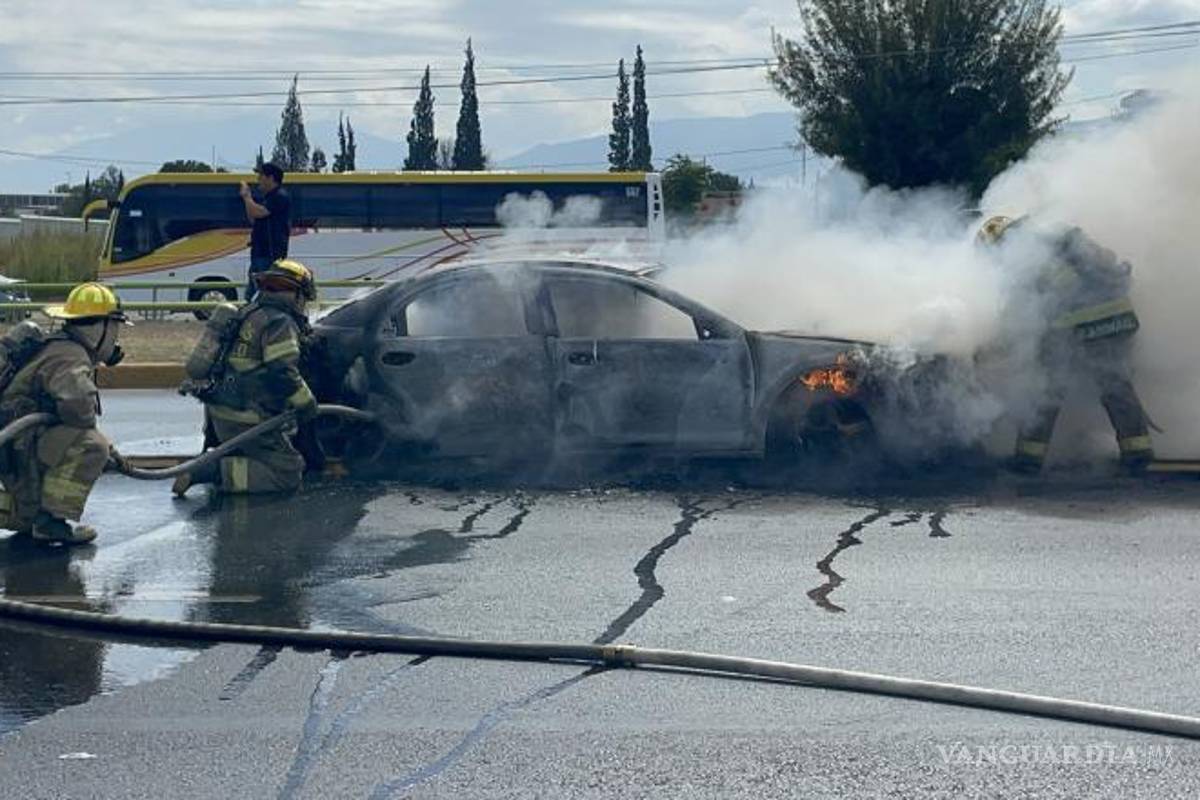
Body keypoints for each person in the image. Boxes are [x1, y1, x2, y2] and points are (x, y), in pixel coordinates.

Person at [978, 215, 1154, 474]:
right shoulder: (1059, 236)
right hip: (1116, 318)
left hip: (1075, 325)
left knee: (1046, 390)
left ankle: (1028, 460)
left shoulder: (1027, 256)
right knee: (1115, 386)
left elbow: (1033, 305)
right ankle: (1138, 454)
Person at [173, 259, 319, 496]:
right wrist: (307, 404)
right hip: (249, 418)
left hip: (219, 415)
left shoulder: (247, 313)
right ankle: (212, 472)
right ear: (297, 295)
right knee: (287, 473)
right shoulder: (280, 322)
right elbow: (283, 372)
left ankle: (217, 459)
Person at [0, 283, 130, 544]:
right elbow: (79, 408)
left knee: (25, 518)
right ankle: (51, 522)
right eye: (115, 327)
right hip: (21, 449)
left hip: (16, 448)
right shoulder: (70, 356)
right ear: (99, 328)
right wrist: (109, 450)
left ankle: (31, 515)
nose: (116, 337)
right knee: (93, 445)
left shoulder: (58, 347)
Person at [241, 161, 291, 302]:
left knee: (263, 294)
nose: (258, 179)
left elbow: (260, 212)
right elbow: (253, 217)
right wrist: (248, 201)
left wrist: (247, 197)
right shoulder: (267, 198)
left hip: (270, 254)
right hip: (259, 252)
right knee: (252, 294)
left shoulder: (279, 196)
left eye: (261, 175)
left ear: (271, 178)